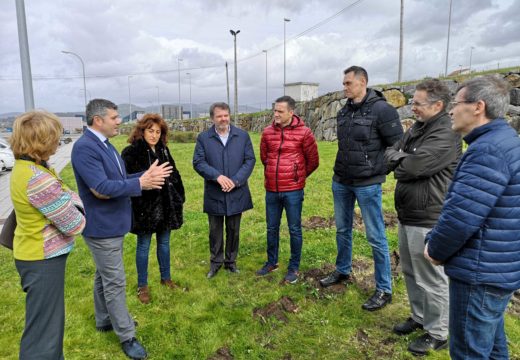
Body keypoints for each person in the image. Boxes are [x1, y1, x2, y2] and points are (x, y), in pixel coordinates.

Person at [424, 75, 520, 359]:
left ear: (478, 107)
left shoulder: (487, 150)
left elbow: (461, 217)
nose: (451, 110)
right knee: (491, 348)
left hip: (480, 271)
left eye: (456, 103)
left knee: (470, 352)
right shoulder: (505, 140)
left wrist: (435, 249)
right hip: (497, 266)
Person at [71, 99, 171, 360]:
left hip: (113, 224)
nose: (120, 121)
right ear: (98, 120)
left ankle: (104, 319)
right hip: (101, 226)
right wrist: (141, 183)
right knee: (115, 281)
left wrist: (141, 177)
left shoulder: (105, 145)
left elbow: (116, 180)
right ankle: (127, 336)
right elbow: (101, 189)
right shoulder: (85, 148)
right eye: (115, 117)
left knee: (103, 275)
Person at [384, 79, 461, 355]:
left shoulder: (447, 132)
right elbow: (391, 152)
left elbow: (415, 166)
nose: (412, 108)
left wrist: (401, 161)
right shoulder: (419, 127)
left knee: (431, 277)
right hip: (408, 213)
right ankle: (419, 317)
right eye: (413, 102)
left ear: (438, 105)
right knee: (410, 271)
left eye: (417, 103)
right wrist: (401, 159)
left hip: (429, 216)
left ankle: (438, 332)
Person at [319, 66, 403, 311]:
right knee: (342, 229)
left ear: (362, 82)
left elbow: (397, 146)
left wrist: (377, 170)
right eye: (344, 83)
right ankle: (343, 270)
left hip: (367, 185)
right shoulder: (344, 111)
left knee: (375, 236)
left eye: (348, 83)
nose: (344, 87)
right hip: (342, 181)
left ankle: (384, 288)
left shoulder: (382, 110)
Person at [9, 110, 86, 359]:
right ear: (41, 141)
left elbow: (65, 197)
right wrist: (71, 198)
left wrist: (66, 195)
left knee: (45, 323)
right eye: (54, 136)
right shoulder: (37, 178)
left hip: (30, 254)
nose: (58, 142)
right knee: (45, 332)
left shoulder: (25, 167)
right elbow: (75, 223)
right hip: (42, 259)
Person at [121, 113, 185, 304]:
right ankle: (143, 286)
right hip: (145, 208)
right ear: (142, 131)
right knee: (144, 246)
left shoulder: (163, 150)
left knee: (164, 244)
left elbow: (174, 174)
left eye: (158, 132)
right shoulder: (131, 152)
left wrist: (178, 196)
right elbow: (127, 179)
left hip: (165, 207)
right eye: (150, 131)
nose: (154, 135)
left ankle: (166, 278)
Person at [256, 95, 319, 284]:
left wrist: (296, 177)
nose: (276, 114)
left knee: (294, 229)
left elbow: (313, 161)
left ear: (291, 112)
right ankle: (271, 262)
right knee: (271, 228)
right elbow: (264, 158)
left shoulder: (305, 133)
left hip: (293, 190)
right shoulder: (267, 133)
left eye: (280, 111)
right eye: (274, 110)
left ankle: (294, 267)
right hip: (272, 190)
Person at [193, 102, 256, 279]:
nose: (223, 119)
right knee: (215, 230)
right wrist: (217, 177)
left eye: (226, 115)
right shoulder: (204, 138)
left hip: (237, 190)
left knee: (234, 229)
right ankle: (215, 263)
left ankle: (231, 262)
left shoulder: (242, 136)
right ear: (212, 118)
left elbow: (249, 160)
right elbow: (198, 162)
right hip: (215, 191)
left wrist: (235, 181)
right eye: (219, 116)